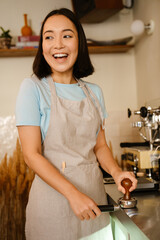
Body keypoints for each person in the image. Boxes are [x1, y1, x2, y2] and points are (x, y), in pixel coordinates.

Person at [16, 8, 137, 240]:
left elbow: (100, 147)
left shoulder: (94, 92)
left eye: (67, 35)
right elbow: (31, 155)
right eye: (49, 36)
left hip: (95, 204)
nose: (58, 44)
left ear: (79, 42)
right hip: (53, 210)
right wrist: (73, 195)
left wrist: (117, 171)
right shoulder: (32, 88)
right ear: (42, 46)